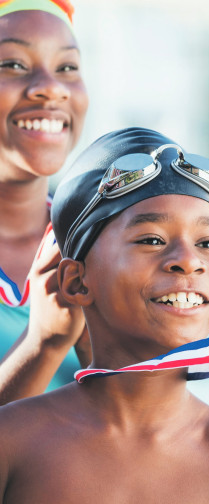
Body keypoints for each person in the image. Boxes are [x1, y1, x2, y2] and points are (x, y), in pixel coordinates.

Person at [0, 127, 209, 503]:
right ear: (77, 282)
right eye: (151, 240)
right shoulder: (12, 442)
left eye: (208, 243)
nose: (188, 260)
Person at [0, 0, 90, 404]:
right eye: (14, 65)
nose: (51, 87)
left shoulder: (101, 243)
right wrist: (44, 345)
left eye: (67, 68)